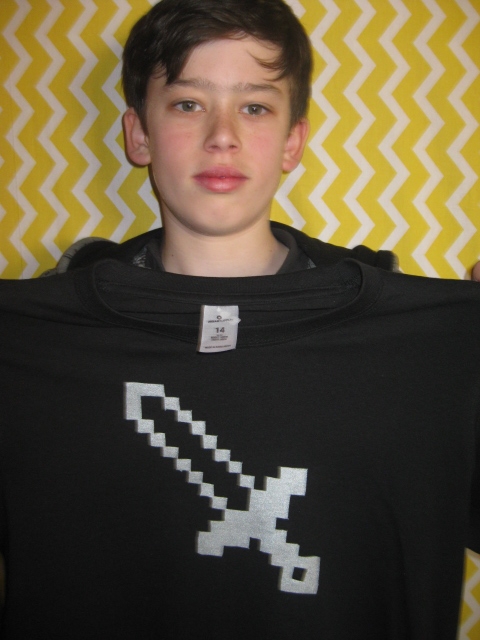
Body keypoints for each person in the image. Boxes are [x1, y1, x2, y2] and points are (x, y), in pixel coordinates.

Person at [0, 0, 479, 638]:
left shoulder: (428, 354)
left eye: (254, 107)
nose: (221, 135)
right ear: (138, 135)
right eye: (187, 103)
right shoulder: (24, 351)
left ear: (292, 141)